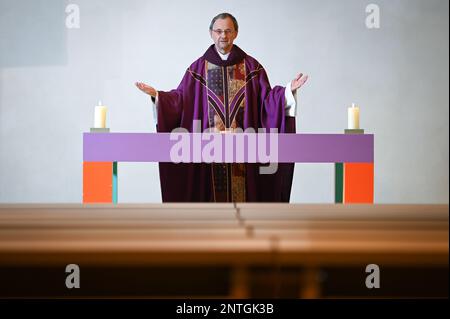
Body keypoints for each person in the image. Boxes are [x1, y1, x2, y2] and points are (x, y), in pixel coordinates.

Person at [136, 12, 308, 202]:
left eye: (228, 31)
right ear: (211, 33)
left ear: (236, 33)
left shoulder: (251, 67)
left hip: (244, 153)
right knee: (211, 200)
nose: (223, 36)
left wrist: (286, 92)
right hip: (209, 154)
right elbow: (181, 100)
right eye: (218, 31)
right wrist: (159, 97)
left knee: (244, 201)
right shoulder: (198, 68)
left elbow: (267, 100)